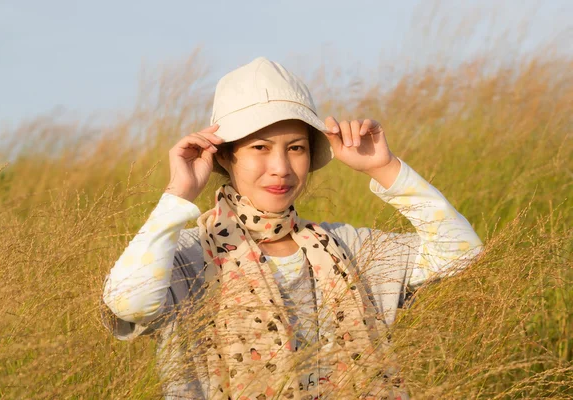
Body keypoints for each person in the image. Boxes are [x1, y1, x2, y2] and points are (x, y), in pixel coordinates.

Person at [101, 57, 483, 399]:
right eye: (260, 148)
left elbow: (460, 253)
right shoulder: (185, 255)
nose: (281, 167)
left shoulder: (347, 247)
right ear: (226, 156)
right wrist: (178, 195)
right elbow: (128, 300)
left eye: (296, 148)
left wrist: (383, 168)